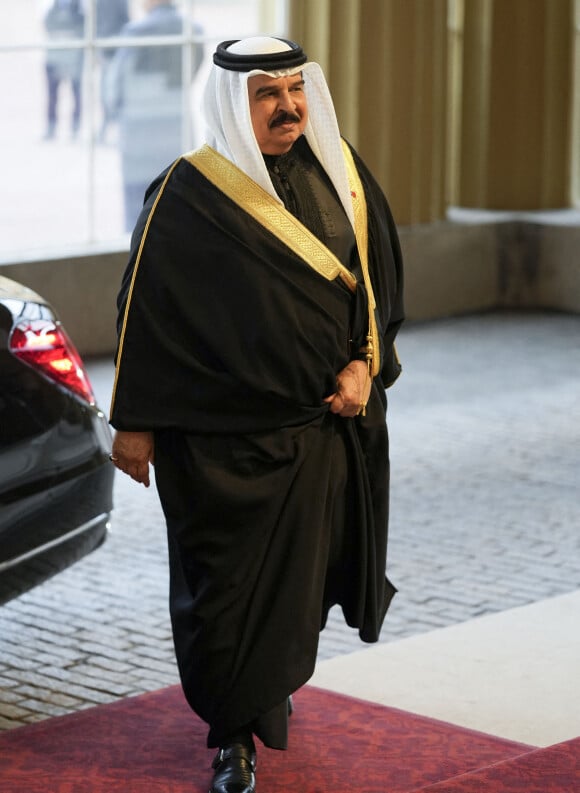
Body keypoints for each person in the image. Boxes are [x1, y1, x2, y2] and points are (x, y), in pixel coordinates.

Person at [109, 36, 404, 793]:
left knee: (297, 590)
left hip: (317, 431)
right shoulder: (187, 193)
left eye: (295, 88)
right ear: (231, 102)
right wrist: (134, 423)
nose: (288, 106)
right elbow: (144, 312)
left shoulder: (346, 177)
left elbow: (377, 286)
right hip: (218, 446)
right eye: (266, 93)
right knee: (226, 598)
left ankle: (263, 704)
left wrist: (363, 363)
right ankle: (232, 739)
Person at [103, 0, 204, 230]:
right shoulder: (193, 31)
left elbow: (115, 86)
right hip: (177, 125)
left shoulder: (136, 33)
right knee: (177, 195)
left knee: (138, 207)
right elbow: (190, 73)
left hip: (140, 128)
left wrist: (114, 114)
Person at [42, 0, 85, 140]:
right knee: (52, 95)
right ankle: (51, 127)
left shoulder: (80, 7)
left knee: (76, 94)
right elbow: (47, 24)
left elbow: (83, 27)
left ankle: (75, 128)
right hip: (54, 56)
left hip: (74, 56)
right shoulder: (50, 6)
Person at [95, 0, 130, 143]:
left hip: (115, 48)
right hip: (107, 48)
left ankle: (111, 129)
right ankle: (106, 128)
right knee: (108, 91)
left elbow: (125, 20)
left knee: (112, 90)